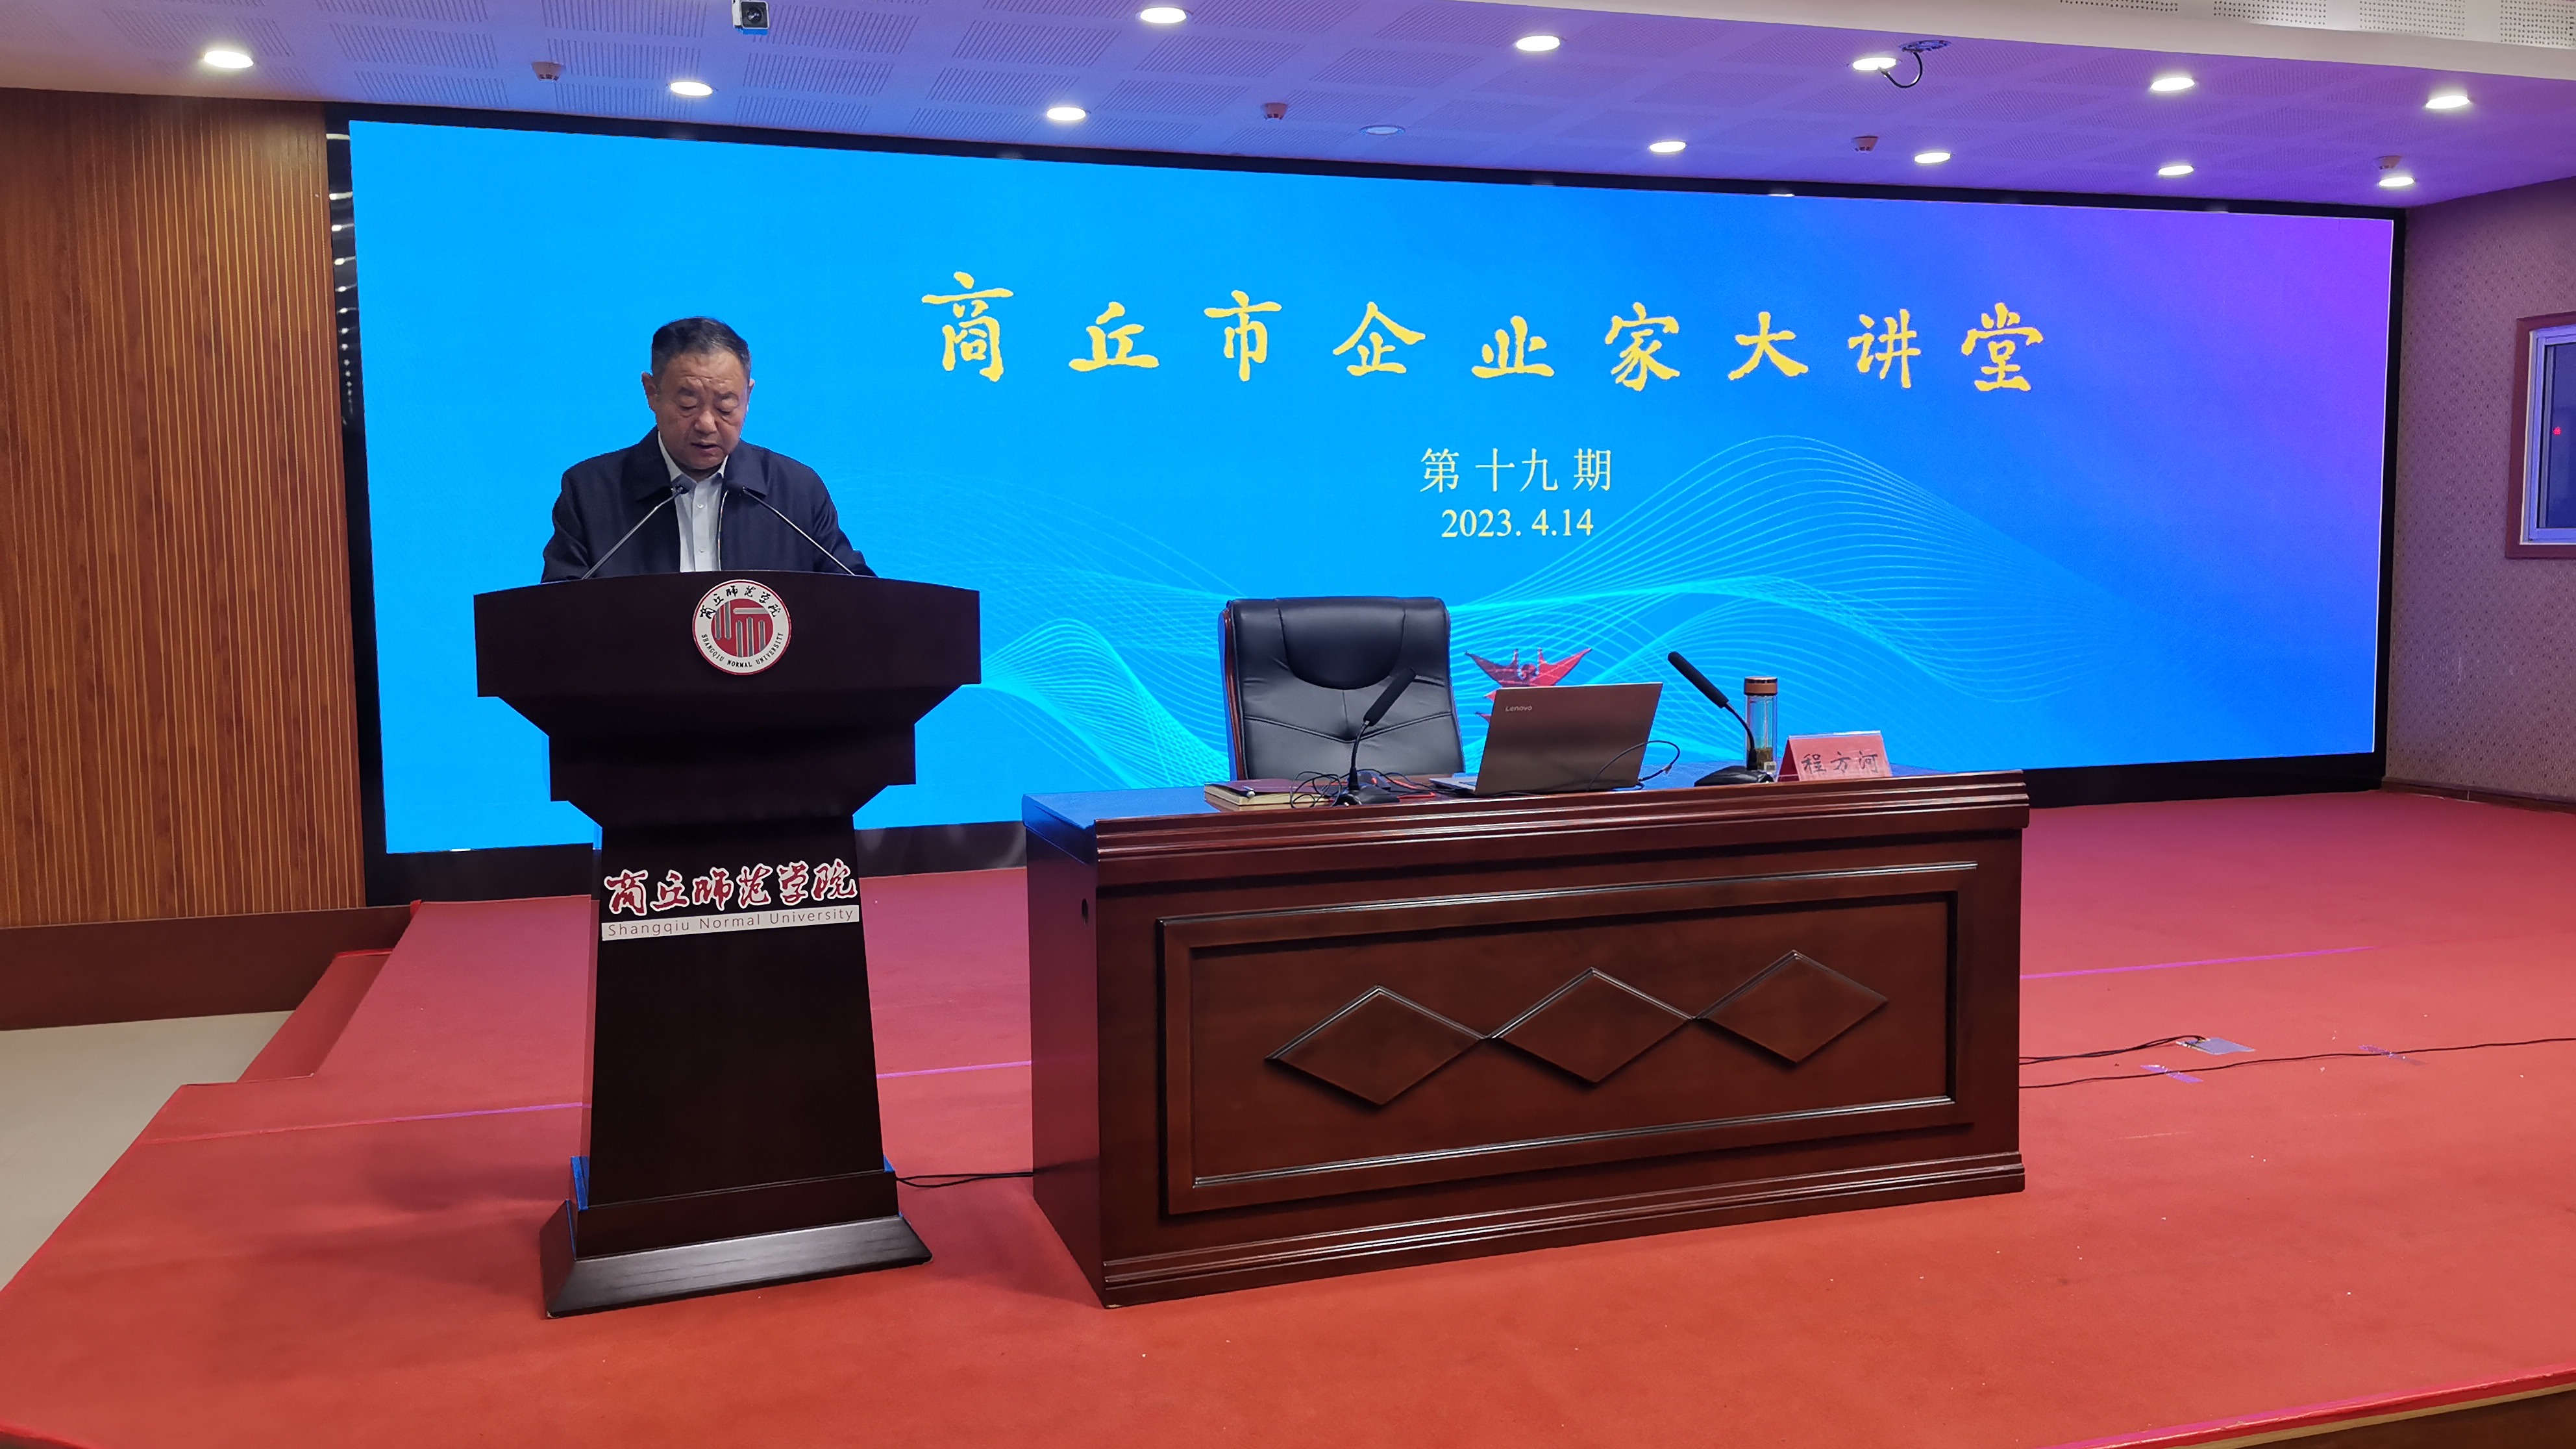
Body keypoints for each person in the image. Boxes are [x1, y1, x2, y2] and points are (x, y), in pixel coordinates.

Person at [540, 317, 872, 580]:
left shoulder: (796, 492)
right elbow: (557, 613)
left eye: (726, 406)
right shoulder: (590, 493)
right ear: (652, 392)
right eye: (688, 404)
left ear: (748, 397)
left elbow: (857, 598)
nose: (707, 424)